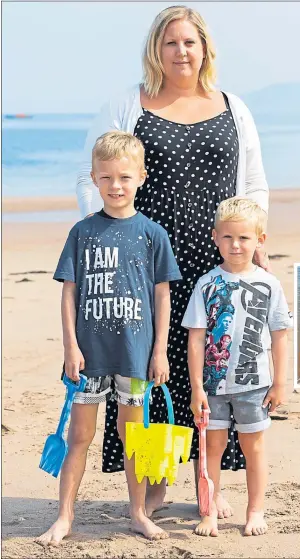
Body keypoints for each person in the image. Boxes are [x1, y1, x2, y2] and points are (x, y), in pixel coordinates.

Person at [76, 5, 270, 516]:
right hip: (147, 262)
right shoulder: (127, 105)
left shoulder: (234, 106)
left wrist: (255, 241)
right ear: (155, 50)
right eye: (170, 43)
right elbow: (88, 175)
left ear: (205, 48)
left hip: (218, 259)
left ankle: (211, 483)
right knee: (151, 368)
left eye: (189, 42)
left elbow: (253, 182)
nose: (180, 51)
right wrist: (109, 241)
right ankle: (155, 481)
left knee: (217, 369)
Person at [37, 131, 182, 546]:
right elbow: (68, 292)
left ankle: (137, 512)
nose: (116, 186)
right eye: (106, 178)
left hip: (136, 356)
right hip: (89, 357)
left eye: (124, 177)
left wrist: (159, 352)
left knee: (133, 436)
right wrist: (70, 346)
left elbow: (162, 295)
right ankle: (64, 516)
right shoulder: (82, 233)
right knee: (79, 435)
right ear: (94, 180)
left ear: (141, 177)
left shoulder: (153, 234)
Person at [183, 197, 291, 537]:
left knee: (253, 448)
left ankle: (255, 510)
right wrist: (197, 386)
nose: (235, 245)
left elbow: (280, 336)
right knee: (211, 448)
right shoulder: (206, 284)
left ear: (260, 240)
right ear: (215, 237)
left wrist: (280, 383)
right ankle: (209, 511)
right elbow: (196, 340)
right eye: (228, 237)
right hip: (213, 387)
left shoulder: (269, 284)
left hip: (255, 384)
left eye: (244, 238)